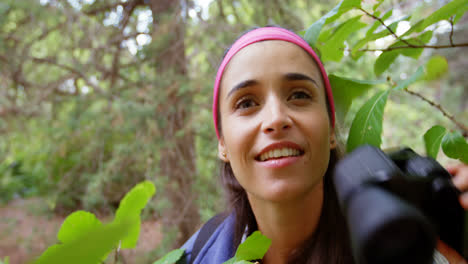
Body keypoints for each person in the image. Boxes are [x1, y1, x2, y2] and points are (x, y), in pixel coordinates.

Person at [181, 26, 468, 264]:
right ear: (223, 144)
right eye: (246, 103)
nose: (276, 118)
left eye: (299, 95)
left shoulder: (408, 242)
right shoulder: (196, 255)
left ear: (331, 129)